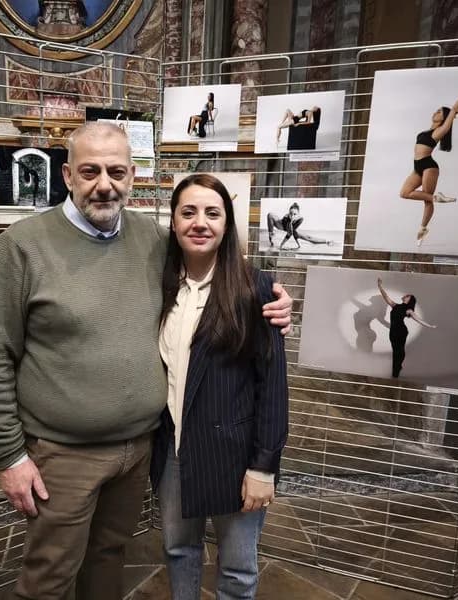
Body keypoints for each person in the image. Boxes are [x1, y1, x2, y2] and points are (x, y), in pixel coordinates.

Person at [0, 122, 293, 600]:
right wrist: (9, 456)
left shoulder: (152, 239)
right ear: (67, 175)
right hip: (64, 452)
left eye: (116, 171)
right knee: (50, 574)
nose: (104, 184)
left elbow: (213, 266)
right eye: (90, 171)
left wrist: (270, 297)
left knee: (107, 560)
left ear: (133, 176)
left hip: (139, 450)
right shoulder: (22, 246)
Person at [151, 174, 289, 599]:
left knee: (237, 569)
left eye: (213, 213)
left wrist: (264, 467)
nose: (200, 222)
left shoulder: (256, 288)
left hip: (236, 457)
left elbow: (273, 388)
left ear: (227, 224)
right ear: (173, 222)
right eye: (188, 212)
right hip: (173, 450)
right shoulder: (159, 287)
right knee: (178, 550)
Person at [399, 82, 458, 245]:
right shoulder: (427, 130)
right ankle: (438, 200)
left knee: (427, 201)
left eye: (439, 111)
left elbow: (454, 110)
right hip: (417, 167)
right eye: (436, 110)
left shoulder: (440, 131)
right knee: (404, 193)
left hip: (429, 166)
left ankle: (422, 228)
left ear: (443, 117)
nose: (435, 112)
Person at [377, 277, 436, 378]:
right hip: (393, 332)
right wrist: (380, 286)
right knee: (396, 350)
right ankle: (397, 368)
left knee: (398, 351)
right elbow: (386, 296)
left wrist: (430, 326)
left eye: (408, 296)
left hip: (401, 331)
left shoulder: (409, 310)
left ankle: (395, 372)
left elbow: (418, 319)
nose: (405, 295)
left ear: (409, 300)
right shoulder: (395, 305)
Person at [265, 202, 334, 250]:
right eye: (290, 213)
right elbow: (289, 232)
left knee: (309, 238)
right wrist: (280, 245)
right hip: (282, 225)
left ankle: (326, 241)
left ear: (298, 214)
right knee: (270, 214)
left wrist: (282, 245)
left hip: (292, 229)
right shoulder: (287, 217)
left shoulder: (300, 219)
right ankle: (271, 236)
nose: (292, 216)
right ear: (289, 212)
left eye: (295, 214)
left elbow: (290, 233)